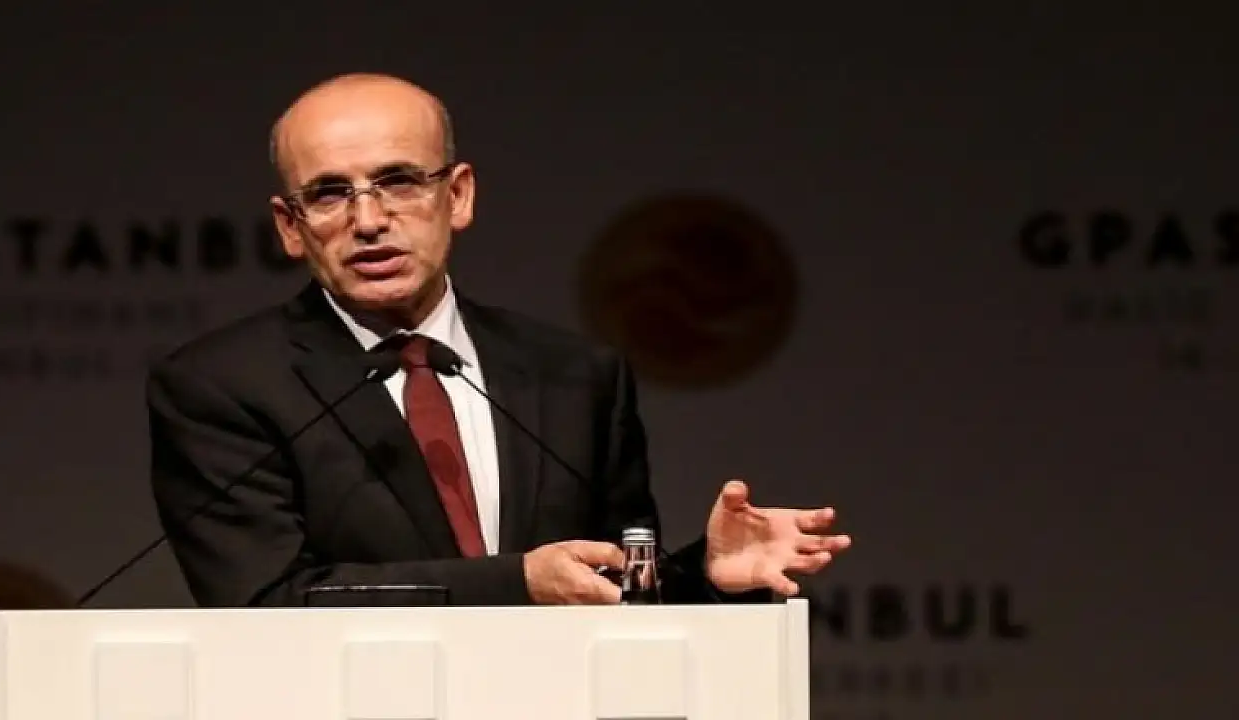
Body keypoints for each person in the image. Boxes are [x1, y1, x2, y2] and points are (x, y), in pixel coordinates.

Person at [146, 72, 851, 608]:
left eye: (399, 181)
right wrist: (518, 583)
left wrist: (706, 574)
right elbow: (267, 600)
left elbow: (612, 590)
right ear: (290, 227)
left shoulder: (576, 376)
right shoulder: (220, 386)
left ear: (457, 196)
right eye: (330, 194)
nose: (369, 220)